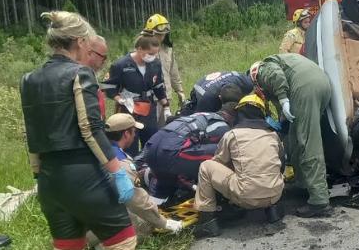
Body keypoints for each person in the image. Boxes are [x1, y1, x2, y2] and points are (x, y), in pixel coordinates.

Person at [20, 11, 136, 250]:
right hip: (82, 175)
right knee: (122, 241)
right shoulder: (80, 73)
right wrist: (117, 170)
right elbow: (90, 129)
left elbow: (31, 132)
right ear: (81, 41)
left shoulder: (28, 80)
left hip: (50, 182)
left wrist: (38, 175)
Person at [250, 53, 332, 217]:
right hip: (320, 84)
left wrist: (283, 99)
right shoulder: (285, 61)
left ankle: (319, 201)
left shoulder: (260, 70)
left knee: (307, 142)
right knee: (295, 138)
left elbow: (275, 75)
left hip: (304, 89)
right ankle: (304, 186)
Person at [193, 94, 285, 237]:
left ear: (240, 113)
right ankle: (272, 211)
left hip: (246, 197)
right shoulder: (273, 135)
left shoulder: (232, 135)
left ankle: (207, 222)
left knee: (206, 167)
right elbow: (281, 165)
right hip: (275, 194)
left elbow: (219, 162)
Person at [104, 113, 183, 236]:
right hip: (106, 220)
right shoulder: (121, 163)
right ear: (126, 134)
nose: (135, 135)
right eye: (134, 131)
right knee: (146, 222)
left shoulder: (101, 150)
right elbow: (135, 199)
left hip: (90, 211)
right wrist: (162, 222)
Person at [136, 112, 231, 205]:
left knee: (163, 187)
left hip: (150, 148)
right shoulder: (221, 125)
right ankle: (213, 198)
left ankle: (157, 204)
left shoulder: (195, 116)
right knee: (225, 151)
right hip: (173, 153)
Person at [103, 35, 170, 155]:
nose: (152, 57)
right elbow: (108, 87)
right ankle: (131, 169)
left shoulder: (155, 64)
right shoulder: (121, 65)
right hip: (129, 109)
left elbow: (158, 86)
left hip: (148, 109)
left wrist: (166, 106)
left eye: (155, 54)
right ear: (139, 49)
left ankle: (148, 170)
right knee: (129, 144)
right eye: (150, 53)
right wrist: (119, 99)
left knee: (151, 143)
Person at [142, 14, 185, 127]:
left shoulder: (168, 50)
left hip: (166, 97)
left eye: (163, 34)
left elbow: (173, 73)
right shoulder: (143, 51)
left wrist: (180, 91)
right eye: (158, 34)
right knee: (151, 130)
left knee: (165, 128)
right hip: (151, 99)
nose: (161, 37)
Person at [184, 71, 253, 114]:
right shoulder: (206, 100)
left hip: (217, 84)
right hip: (202, 92)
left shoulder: (246, 83)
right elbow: (203, 118)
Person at [77, 35, 110, 118]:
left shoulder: (91, 74)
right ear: (89, 52)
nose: (105, 61)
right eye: (103, 57)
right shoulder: (79, 77)